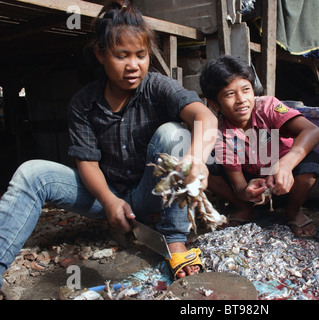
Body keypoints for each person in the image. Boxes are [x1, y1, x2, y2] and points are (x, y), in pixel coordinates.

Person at [0, 0, 217, 287]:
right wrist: (109, 200)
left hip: (149, 191)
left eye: (141, 55)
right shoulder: (82, 103)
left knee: (173, 133)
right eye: (121, 55)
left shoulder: (158, 86)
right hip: (104, 195)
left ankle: (174, 241)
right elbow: (86, 162)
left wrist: (196, 159)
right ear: (101, 54)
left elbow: (204, 116)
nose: (133, 66)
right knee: (32, 174)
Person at [200, 55, 319, 238]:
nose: (241, 99)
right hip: (257, 186)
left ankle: (293, 211)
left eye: (246, 90)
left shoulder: (268, 106)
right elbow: (239, 186)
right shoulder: (221, 135)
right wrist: (246, 191)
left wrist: (286, 164)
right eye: (230, 94)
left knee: (311, 163)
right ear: (214, 104)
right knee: (208, 166)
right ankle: (246, 209)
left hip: (287, 181)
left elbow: (313, 131)